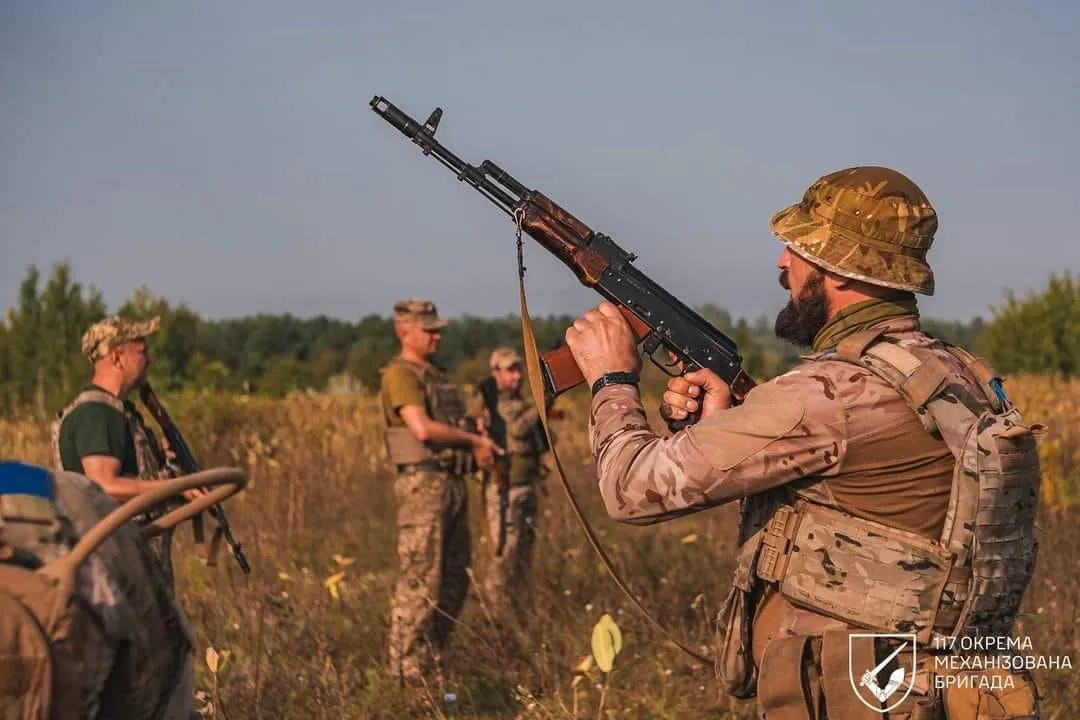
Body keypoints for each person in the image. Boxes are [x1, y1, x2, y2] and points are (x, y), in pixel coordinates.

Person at [563, 166, 1042, 719]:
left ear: (839, 268)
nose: (782, 264)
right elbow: (853, 500)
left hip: (864, 694)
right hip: (950, 688)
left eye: (798, 249)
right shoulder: (956, 372)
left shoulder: (826, 394)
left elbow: (630, 488)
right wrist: (728, 424)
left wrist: (612, 380)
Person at [378, 298, 502, 687]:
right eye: (428, 330)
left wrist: (475, 436)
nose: (437, 336)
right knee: (420, 579)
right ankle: (404, 672)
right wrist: (471, 441)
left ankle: (430, 658)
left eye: (438, 329)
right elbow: (422, 429)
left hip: (450, 482)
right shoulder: (401, 375)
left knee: (454, 576)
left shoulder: (437, 375)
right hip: (423, 484)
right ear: (404, 331)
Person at [51, 315, 196, 584]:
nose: (149, 360)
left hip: (131, 564)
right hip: (113, 572)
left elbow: (138, 485)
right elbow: (104, 486)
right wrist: (176, 487)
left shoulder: (120, 413)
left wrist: (171, 472)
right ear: (117, 358)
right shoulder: (97, 413)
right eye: (142, 352)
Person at [475, 347, 550, 625]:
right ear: (496, 372)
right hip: (504, 489)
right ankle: (495, 617)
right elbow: (517, 428)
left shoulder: (518, 401)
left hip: (526, 484)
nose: (517, 376)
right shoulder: (492, 402)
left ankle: (518, 610)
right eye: (510, 370)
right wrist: (543, 400)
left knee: (523, 552)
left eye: (519, 369)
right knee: (504, 553)